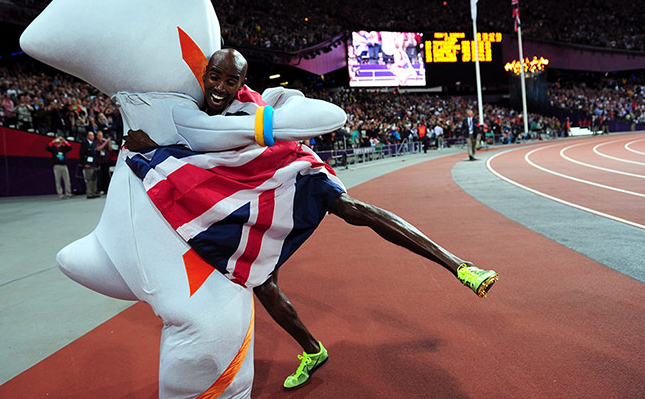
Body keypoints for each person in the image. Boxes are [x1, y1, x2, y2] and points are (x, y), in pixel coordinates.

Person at [126, 49, 500, 389]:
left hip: (291, 172)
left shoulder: (250, 108)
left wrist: (157, 151)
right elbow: (203, 150)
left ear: (242, 83)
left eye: (231, 80)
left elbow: (265, 129)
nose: (220, 86)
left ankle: (461, 266)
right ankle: (312, 349)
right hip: (253, 196)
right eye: (215, 76)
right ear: (204, 73)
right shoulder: (194, 108)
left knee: (354, 210)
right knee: (263, 284)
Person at [79, 131, 99, 198]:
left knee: (94, 179)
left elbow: (96, 155)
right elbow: (81, 155)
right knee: (89, 179)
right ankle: (89, 193)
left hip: (94, 164)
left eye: (93, 135)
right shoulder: (84, 144)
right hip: (88, 164)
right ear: (87, 136)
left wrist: (98, 164)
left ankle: (94, 192)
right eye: (90, 135)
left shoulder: (94, 144)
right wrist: (84, 164)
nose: (92, 137)